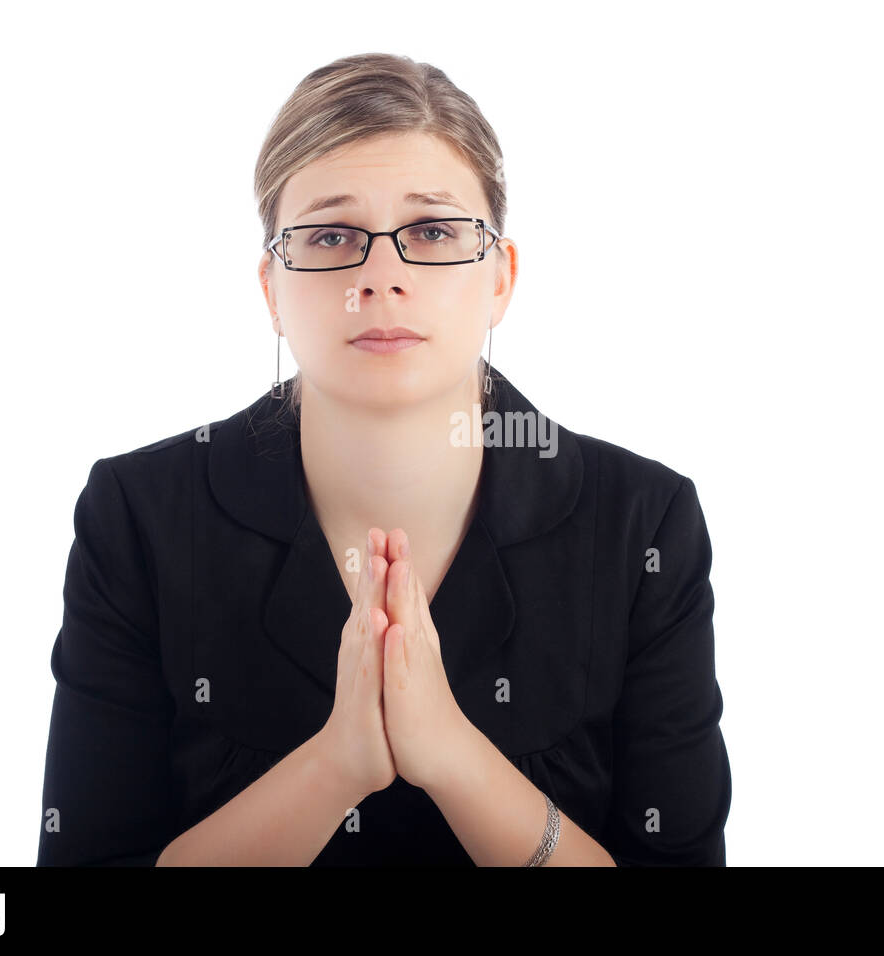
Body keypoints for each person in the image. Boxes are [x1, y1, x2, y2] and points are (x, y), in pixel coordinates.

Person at [36, 51, 732, 866]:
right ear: (271, 289)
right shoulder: (141, 516)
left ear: (501, 276)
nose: (381, 275)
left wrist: (454, 758)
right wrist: (336, 766)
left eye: (433, 230)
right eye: (331, 236)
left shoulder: (643, 524)